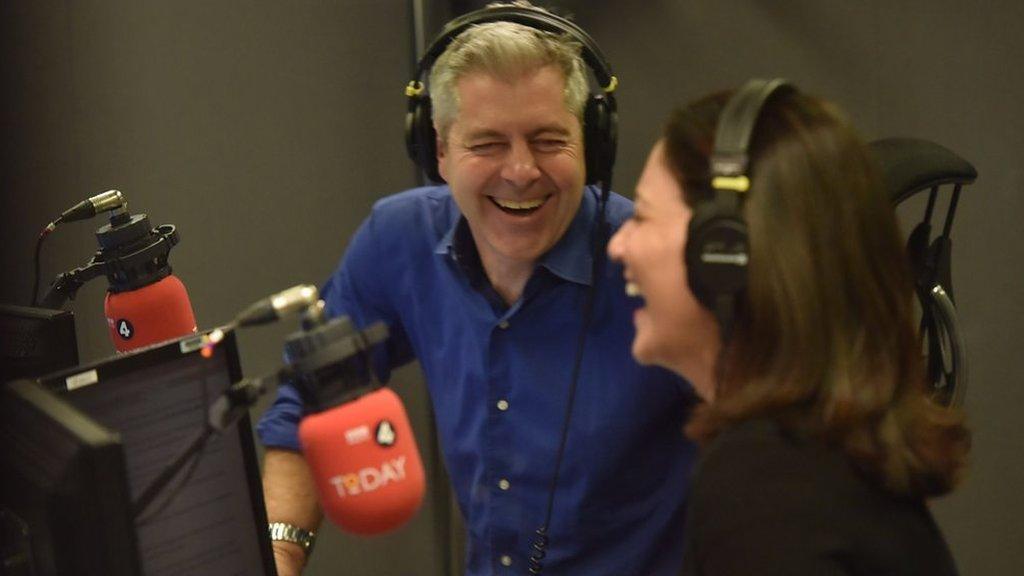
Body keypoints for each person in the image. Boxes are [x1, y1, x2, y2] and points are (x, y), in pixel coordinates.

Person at [257, 5, 696, 575]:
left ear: (591, 142)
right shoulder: (398, 241)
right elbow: (306, 401)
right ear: (437, 149)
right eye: (487, 144)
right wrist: (279, 555)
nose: (520, 170)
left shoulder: (652, 266)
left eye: (546, 140)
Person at [607, 79, 970, 575]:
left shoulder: (765, 484)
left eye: (643, 217)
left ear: (724, 255)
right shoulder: (817, 461)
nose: (618, 246)